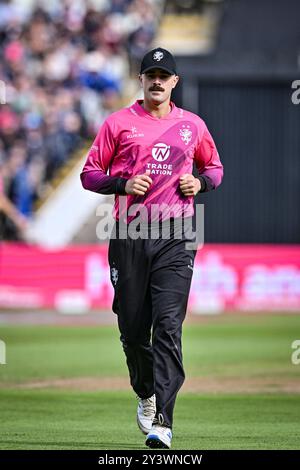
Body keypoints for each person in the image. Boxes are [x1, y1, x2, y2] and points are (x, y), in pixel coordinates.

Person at [80, 47, 223, 449]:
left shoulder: (192, 125)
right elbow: (89, 175)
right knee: (132, 328)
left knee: (169, 325)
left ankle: (164, 420)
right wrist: (122, 183)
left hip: (178, 233)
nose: (157, 81)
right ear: (141, 80)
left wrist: (202, 183)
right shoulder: (117, 123)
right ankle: (145, 391)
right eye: (150, 75)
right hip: (128, 232)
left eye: (164, 75)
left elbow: (214, 167)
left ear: (174, 82)